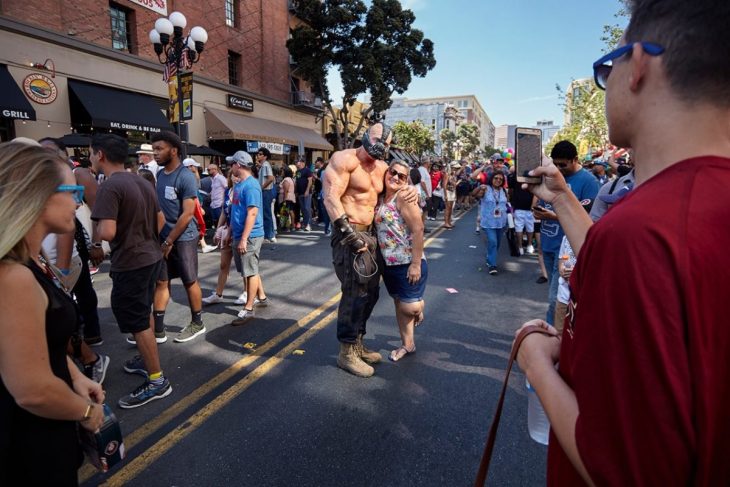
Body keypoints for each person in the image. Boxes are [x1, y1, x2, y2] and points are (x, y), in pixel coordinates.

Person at [516, 1, 730, 484]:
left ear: (637, 66)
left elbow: (624, 468)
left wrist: (535, 362)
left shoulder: (641, 233)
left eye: (605, 70)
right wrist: (566, 200)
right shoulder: (672, 220)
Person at [0, 142, 105, 485]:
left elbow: (45, 343)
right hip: (28, 442)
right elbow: (32, 390)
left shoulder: (30, 262)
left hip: (47, 430)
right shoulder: (12, 276)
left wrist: (76, 378)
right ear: (38, 194)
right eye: (72, 190)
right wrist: (87, 412)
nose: (78, 201)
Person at [323, 122, 417, 377]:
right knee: (355, 292)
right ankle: (346, 352)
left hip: (373, 235)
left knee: (372, 293)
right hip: (349, 234)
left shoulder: (383, 169)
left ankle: (358, 343)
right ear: (365, 136)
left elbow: (396, 190)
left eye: (385, 145)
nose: (381, 147)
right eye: (378, 141)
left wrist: (411, 193)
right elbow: (330, 198)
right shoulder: (344, 160)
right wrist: (350, 236)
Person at [88, 134, 172, 408]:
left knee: (136, 321)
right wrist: (143, 238)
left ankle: (158, 381)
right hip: (150, 257)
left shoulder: (110, 187)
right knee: (142, 314)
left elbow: (108, 230)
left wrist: (96, 237)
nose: (90, 158)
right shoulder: (141, 179)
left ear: (100, 154)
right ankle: (148, 362)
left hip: (132, 262)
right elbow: (160, 220)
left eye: (90, 153)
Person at [532, 140, 599, 325]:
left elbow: (587, 219)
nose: (559, 169)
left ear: (575, 160)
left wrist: (553, 216)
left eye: (563, 164)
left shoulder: (589, 182)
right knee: (555, 296)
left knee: (557, 298)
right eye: (556, 164)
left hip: (569, 249)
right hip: (548, 243)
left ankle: (554, 337)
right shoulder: (550, 176)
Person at [151, 131, 207, 343]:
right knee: (161, 281)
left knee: (189, 280)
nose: (155, 153)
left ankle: (197, 323)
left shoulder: (185, 176)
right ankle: (157, 330)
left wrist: (169, 241)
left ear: (173, 151)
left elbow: (187, 214)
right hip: (164, 239)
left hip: (183, 238)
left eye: (159, 149)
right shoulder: (160, 174)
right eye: (154, 149)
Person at [374, 161, 427, 362]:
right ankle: (408, 345)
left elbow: (418, 229)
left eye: (402, 176)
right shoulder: (380, 197)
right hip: (389, 264)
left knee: (409, 308)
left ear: (406, 180)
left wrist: (415, 264)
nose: (395, 177)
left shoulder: (404, 196)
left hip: (408, 262)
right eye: (393, 172)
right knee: (399, 302)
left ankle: (418, 309)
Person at [227, 151, 269, 324]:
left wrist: (244, 238)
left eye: (232, 164)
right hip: (240, 234)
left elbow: (252, 213)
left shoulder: (250, 186)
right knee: (249, 269)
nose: (230, 167)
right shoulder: (239, 184)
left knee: (249, 271)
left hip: (250, 235)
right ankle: (262, 297)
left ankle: (249, 308)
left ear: (238, 165)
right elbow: (236, 211)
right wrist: (230, 232)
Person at [472, 172, 508, 275]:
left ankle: (489, 257)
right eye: (496, 178)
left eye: (500, 179)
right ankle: (492, 265)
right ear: (491, 179)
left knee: (497, 244)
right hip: (488, 221)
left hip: (501, 222)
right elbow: (474, 195)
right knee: (493, 242)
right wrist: (479, 188)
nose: (498, 180)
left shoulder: (503, 190)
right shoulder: (486, 188)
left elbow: (507, 203)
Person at [255, 148, 277, 243]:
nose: (258, 155)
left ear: (265, 156)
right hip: (266, 191)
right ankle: (269, 234)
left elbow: (271, 178)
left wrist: (261, 187)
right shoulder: (264, 165)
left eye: (260, 154)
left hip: (266, 192)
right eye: (258, 154)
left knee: (266, 213)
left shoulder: (266, 165)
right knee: (266, 213)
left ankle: (270, 235)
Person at [295, 156, 313, 231]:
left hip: (306, 193)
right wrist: (296, 191)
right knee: (303, 209)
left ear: (302, 162)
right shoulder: (297, 171)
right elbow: (297, 182)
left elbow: (310, 181)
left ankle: (308, 224)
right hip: (300, 192)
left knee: (307, 208)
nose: (296, 163)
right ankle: (305, 223)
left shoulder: (307, 170)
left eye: (297, 161)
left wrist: (307, 190)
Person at [208, 163, 227, 228]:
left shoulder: (220, 178)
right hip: (213, 204)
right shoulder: (213, 179)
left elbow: (227, 188)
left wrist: (224, 201)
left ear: (214, 170)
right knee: (216, 223)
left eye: (209, 170)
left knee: (221, 223)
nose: (208, 171)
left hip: (219, 204)